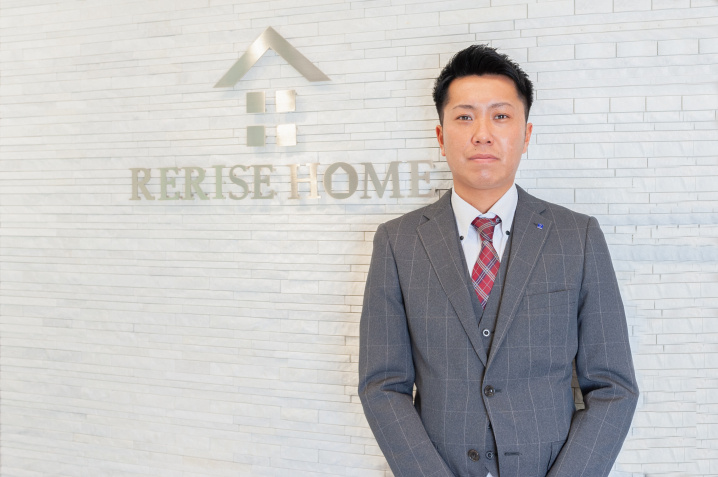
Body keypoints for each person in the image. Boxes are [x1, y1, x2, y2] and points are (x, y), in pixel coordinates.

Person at [358, 44, 639, 477]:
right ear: (441, 137)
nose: (482, 134)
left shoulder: (577, 237)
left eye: (501, 116)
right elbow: (382, 386)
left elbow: (613, 386)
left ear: (526, 135)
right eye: (464, 117)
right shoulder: (398, 242)